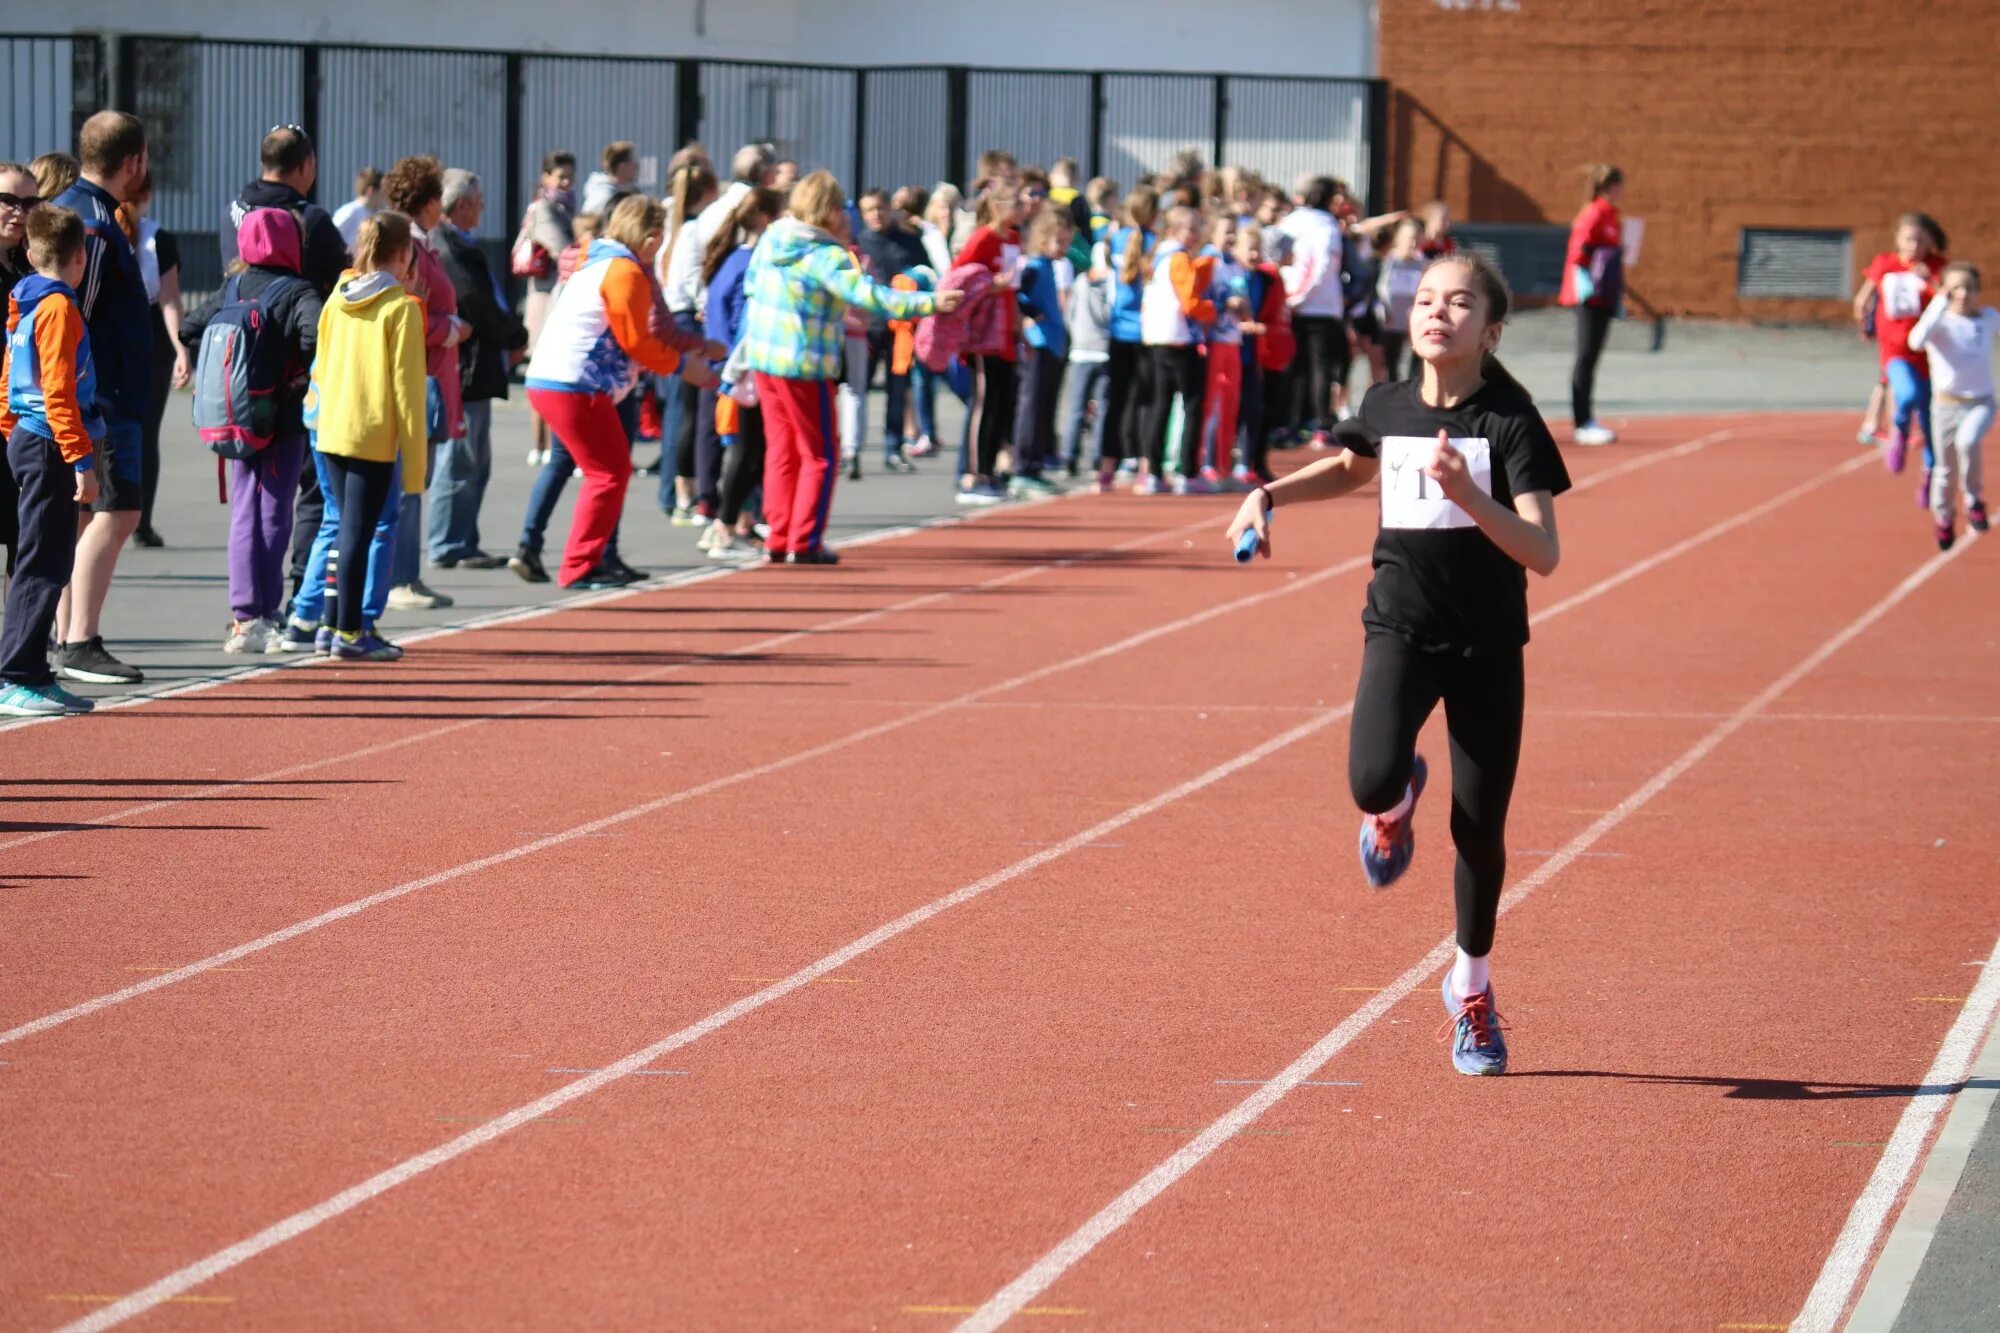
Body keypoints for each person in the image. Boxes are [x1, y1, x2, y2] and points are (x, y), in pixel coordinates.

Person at [1226, 252, 1571, 1077]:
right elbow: (1352, 466)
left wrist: (1470, 497)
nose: (1436, 312)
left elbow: (1545, 552)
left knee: (1479, 832)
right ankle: (1396, 799)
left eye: (1458, 303)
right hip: (1402, 630)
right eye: (1425, 299)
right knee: (1371, 776)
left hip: (1488, 645)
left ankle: (1471, 989)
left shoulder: (1510, 420)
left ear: (1490, 331)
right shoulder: (1385, 403)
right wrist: (1266, 495)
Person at [739, 171, 954, 563]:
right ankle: (804, 541)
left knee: (783, 450)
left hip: (766, 358)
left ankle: (779, 534)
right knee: (820, 454)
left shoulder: (773, 239)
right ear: (829, 210)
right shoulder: (825, 254)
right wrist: (929, 303)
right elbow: (868, 294)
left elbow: (751, 286)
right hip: (804, 363)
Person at [525, 195, 713, 587]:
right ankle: (579, 563)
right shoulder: (624, 271)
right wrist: (683, 365)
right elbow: (637, 341)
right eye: (659, 239)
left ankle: (582, 557)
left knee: (605, 471)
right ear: (649, 236)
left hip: (564, 379)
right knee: (607, 473)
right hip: (575, 383)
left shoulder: (598, 261)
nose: (660, 248)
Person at [182, 209, 321, 653]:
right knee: (275, 511)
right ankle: (263, 612)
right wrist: (294, 371)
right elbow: (316, 335)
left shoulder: (232, 286)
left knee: (244, 509)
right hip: (282, 415)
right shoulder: (298, 290)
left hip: (237, 413)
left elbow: (191, 326)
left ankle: (243, 616)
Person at [51, 111, 151, 687]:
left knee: (88, 513)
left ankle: (67, 631)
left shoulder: (92, 214)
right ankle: (80, 639)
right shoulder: (90, 223)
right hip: (104, 398)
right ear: (133, 162)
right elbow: (75, 313)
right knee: (119, 510)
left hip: (104, 393)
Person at [302, 211, 429, 661]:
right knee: (359, 531)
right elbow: (408, 393)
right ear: (403, 255)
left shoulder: (337, 297)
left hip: (332, 428)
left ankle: (330, 621)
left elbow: (321, 363)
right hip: (372, 434)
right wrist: (416, 468)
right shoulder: (401, 310)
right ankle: (352, 632)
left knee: (343, 531)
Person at [0, 205, 102, 716]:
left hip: (30, 437)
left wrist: (6, 428)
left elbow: (9, 374)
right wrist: (81, 458)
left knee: (52, 558)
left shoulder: (25, 301)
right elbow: (57, 390)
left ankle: (35, 673)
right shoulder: (59, 307)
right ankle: (13, 674)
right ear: (80, 257)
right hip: (48, 441)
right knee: (41, 561)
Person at [379, 155, 467, 611]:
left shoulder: (419, 243)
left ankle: (404, 575)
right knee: (409, 480)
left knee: (416, 477)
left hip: (428, 376)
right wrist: (450, 329)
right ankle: (399, 579)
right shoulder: (407, 248)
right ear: (429, 202)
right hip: (418, 376)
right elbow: (405, 312)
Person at [429, 168, 525, 572]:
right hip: (467, 368)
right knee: (460, 460)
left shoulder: (459, 244)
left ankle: (462, 539)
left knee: (474, 461)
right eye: (478, 200)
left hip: (478, 366)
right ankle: (448, 542)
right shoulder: (448, 247)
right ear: (462, 205)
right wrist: (513, 335)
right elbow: (476, 304)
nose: (482, 207)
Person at [701, 186, 783, 561]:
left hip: (728, 364)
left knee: (746, 448)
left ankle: (737, 521)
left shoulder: (731, 258)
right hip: (743, 366)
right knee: (749, 449)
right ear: (766, 219)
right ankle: (725, 525)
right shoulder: (754, 263)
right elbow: (746, 319)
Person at [1854, 212, 1948, 493]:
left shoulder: (1937, 268)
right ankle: (1899, 431)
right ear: (1898, 239)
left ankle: (1930, 475)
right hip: (1894, 348)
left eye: (1920, 240)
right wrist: (1865, 323)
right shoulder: (1886, 264)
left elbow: (1949, 302)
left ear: (1930, 242)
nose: (1914, 245)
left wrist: (1931, 281)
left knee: (1931, 418)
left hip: (1930, 352)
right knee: (1905, 395)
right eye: (1909, 239)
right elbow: (1863, 298)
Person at [1908, 263, 1994, 550]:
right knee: (1945, 470)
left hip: (1981, 402)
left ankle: (1974, 500)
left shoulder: (1988, 318)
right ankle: (1944, 517)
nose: (1963, 294)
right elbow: (1916, 341)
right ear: (1945, 291)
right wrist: (1937, 303)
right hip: (1945, 407)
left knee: (1968, 441)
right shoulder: (1939, 323)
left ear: (1978, 291)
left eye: (1969, 288)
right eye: (1955, 287)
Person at [1138, 205, 1216, 495]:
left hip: (1157, 338)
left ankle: (1155, 472)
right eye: (1190, 229)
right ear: (1173, 230)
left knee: (1161, 404)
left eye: (1197, 228)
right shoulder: (1179, 258)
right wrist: (1214, 311)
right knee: (1192, 405)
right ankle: (1188, 471)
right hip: (1179, 339)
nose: (1195, 235)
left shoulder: (1157, 258)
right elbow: (1191, 302)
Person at [129, 172, 189, 548]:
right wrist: (180, 346)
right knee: (145, 433)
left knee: (118, 429)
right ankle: (140, 521)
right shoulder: (158, 238)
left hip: (120, 333)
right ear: (148, 195)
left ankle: (106, 510)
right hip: (150, 336)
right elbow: (169, 298)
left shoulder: (100, 229)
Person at [954, 186, 1024, 504]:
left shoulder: (1013, 239)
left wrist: (1018, 323)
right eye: (1015, 201)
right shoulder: (982, 238)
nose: (1022, 207)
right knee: (984, 402)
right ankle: (973, 474)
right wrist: (988, 286)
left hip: (1005, 332)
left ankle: (991, 469)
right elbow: (958, 278)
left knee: (1002, 402)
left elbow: (1014, 287)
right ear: (996, 207)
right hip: (983, 334)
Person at [657, 158, 719, 519]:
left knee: (677, 411)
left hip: (671, 314)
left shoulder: (672, 226)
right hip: (687, 319)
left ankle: (673, 491)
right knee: (691, 412)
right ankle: (682, 491)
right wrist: (705, 305)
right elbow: (694, 277)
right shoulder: (692, 230)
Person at [225, 125, 350, 296]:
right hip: (299, 319)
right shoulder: (312, 220)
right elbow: (346, 281)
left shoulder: (233, 209)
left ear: (264, 163)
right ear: (305, 166)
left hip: (236, 317)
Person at [856, 188, 928, 474]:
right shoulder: (859, 244)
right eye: (870, 210)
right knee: (857, 390)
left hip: (902, 329)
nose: (876, 214)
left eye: (880, 208)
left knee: (898, 390)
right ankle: (852, 450)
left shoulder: (909, 241)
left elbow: (926, 274)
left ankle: (893, 447)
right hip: (869, 327)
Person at [1275, 175, 1348, 445]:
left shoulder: (1290, 222)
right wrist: (1299, 297)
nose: (1342, 201)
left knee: (1299, 367)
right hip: (1319, 307)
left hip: (1295, 305)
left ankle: (1294, 423)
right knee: (1319, 368)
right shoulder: (1326, 228)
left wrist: (1288, 298)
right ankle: (1317, 422)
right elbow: (1322, 267)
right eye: (1337, 195)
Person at [1095, 187, 1158, 489]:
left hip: (1119, 330)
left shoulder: (1116, 240)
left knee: (1116, 401)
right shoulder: (1154, 244)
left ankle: (1106, 468)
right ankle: (1146, 467)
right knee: (1146, 401)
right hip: (1145, 332)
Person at [1560, 164, 1627, 447]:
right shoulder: (1595, 212)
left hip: (1605, 294)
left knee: (1592, 357)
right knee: (1585, 356)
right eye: (1619, 185)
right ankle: (1581, 421)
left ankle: (1587, 418)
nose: (1623, 191)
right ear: (1608, 186)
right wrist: (1588, 280)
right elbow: (1580, 251)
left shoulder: (1612, 215)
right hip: (1589, 294)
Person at [517, 151, 576, 467]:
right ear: (546, 178)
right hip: (544, 299)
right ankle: (540, 444)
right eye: (560, 176)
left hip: (559, 298)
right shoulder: (544, 208)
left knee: (551, 373)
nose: (566, 182)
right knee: (542, 374)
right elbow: (562, 249)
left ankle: (553, 443)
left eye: (569, 176)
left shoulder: (569, 207)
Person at [1012, 209, 1072, 494]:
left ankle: (1036, 461)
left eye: (1065, 242)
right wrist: (1032, 314)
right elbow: (1018, 293)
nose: (1063, 248)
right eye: (1058, 242)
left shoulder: (1048, 266)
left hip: (1053, 344)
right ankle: (1023, 465)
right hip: (1038, 343)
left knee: (1046, 406)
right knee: (1032, 404)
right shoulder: (1034, 266)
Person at [0, 162, 36, 577]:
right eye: (7, 200)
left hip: (20, 423)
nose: (18, 211)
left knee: (20, 537)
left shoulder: (28, 270)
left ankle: (20, 639)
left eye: (28, 202)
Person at [1061, 243, 1112, 483]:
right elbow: (1106, 315)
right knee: (1096, 409)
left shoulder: (1080, 283)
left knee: (1079, 408)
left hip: (1083, 350)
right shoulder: (1104, 284)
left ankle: (1072, 457)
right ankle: (1090, 458)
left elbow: (1069, 314)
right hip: (1096, 350)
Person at [1375, 216, 1426, 382]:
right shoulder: (1391, 259)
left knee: (1416, 361)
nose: (1413, 244)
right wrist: (1385, 309)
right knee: (1391, 362)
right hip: (1392, 317)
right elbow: (1382, 286)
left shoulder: (1421, 261)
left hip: (1411, 317)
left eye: (1416, 239)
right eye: (1410, 239)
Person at [580, 141, 639, 216]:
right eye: (634, 163)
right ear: (622, 167)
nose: (637, 167)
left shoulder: (617, 192)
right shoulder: (603, 197)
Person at [333, 168, 383, 250]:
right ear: (371, 191)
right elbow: (331, 237)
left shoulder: (376, 215)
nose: (384, 196)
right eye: (382, 192)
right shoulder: (349, 212)